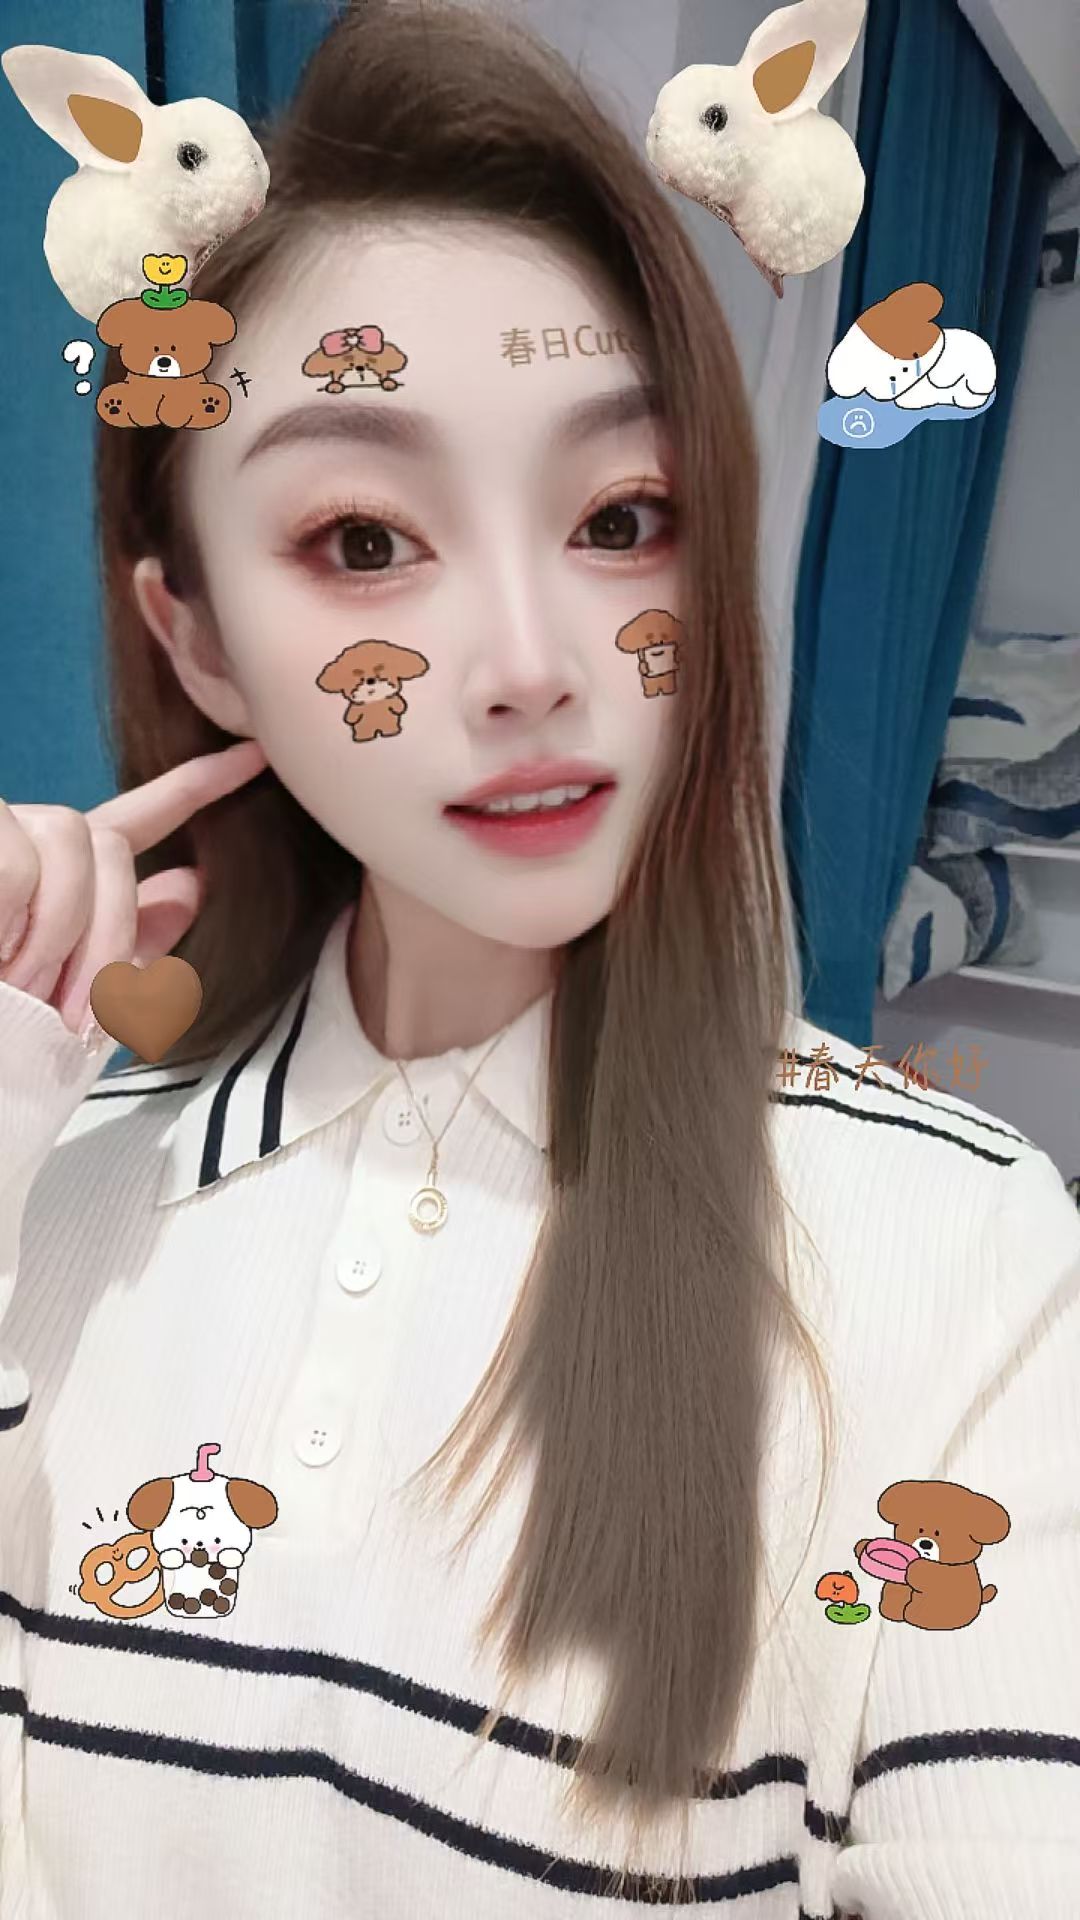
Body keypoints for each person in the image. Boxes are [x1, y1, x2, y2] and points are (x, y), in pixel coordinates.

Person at [0, 4, 1077, 1915]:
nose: (527, 665)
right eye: (362, 539)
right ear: (202, 642)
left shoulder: (960, 1253)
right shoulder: (60, 1190)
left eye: (620, 519)